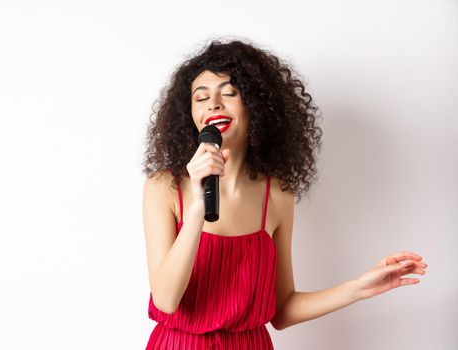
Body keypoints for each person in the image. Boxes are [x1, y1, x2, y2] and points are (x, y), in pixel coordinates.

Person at [141, 38, 427, 349]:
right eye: (201, 97)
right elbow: (166, 300)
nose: (213, 104)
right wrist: (198, 207)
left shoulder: (275, 196)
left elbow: (282, 310)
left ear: (256, 106)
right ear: (190, 114)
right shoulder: (164, 187)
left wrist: (359, 288)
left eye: (229, 93)